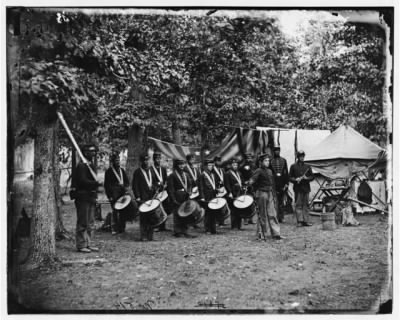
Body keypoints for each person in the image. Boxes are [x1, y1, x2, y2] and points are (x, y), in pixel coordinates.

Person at [247, 153, 284, 240]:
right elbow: (252, 180)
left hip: (270, 193)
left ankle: (276, 233)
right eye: (265, 161)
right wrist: (250, 182)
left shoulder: (270, 171)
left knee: (272, 214)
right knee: (262, 214)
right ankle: (261, 233)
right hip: (261, 193)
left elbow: (272, 183)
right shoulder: (258, 170)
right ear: (261, 162)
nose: (267, 162)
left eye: (268, 161)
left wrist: (274, 193)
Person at [73, 144, 102, 253]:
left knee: (90, 222)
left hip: (90, 196)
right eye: (91, 151)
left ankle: (88, 243)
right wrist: (96, 183)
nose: (93, 154)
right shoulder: (81, 166)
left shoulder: (91, 165)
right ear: (85, 153)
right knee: (83, 222)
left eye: (94, 152)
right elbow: (82, 181)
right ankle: (81, 244)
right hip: (83, 197)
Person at [167, 159, 196, 238]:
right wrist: (173, 199)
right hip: (177, 195)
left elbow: (190, 184)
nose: (182, 166)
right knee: (177, 213)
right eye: (180, 164)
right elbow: (171, 189)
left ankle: (185, 230)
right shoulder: (172, 175)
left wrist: (189, 192)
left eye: (183, 164)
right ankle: (177, 231)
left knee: (186, 213)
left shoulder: (186, 174)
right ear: (176, 165)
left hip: (186, 195)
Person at [104, 152, 131, 235]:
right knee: (115, 211)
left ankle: (122, 228)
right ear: (112, 162)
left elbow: (127, 181)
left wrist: (126, 188)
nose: (118, 162)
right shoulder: (109, 172)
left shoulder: (122, 170)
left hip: (122, 194)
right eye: (116, 160)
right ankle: (114, 228)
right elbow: (106, 185)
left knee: (123, 211)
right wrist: (109, 196)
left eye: (119, 160)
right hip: (114, 195)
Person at [132, 154, 156, 241]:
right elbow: (135, 185)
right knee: (144, 217)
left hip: (151, 197)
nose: (146, 162)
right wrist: (137, 196)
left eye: (147, 160)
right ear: (141, 162)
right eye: (144, 161)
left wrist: (155, 187)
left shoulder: (151, 171)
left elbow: (154, 182)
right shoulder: (137, 172)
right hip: (142, 197)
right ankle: (143, 235)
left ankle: (150, 235)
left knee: (151, 216)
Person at [289, 150, 314, 227]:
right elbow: (289, 177)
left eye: (303, 156)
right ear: (298, 157)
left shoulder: (307, 166)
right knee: (298, 205)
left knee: (306, 205)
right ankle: (300, 221)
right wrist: (295, 180)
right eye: (300, 156)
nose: (302, 158)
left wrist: (306, 178)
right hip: (298, 188)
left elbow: (312, 177)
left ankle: (306, 221)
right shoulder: (293, 166)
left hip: (306, 188)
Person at [150, 151, 170, 232]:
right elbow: (150, 181)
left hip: (163, 191)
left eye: (159, 159)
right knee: (157, 208)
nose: (158, 160)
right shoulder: (151, 169)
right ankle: (156, 225)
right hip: (155, 191)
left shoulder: (163, 169)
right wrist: (156, 187)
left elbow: (166, 179)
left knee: (164, 208)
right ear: (154, 159)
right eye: (156, 159)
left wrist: (165, 184)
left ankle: (163, 226)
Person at [199, 159, 219, 234]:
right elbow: (200, 187)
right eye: (209, 165)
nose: (211, 167)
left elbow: (213, 185)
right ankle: (207, 229)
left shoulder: (213, 174)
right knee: (208, 212)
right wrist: (202, 197)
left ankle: (213, 229)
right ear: (206, 166)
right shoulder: (203, 174)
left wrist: (217, 190)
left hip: (213, 195)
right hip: (206, 195)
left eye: (212, 165)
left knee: (213, 211)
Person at [270, 146, 289, 223]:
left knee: (281, 201)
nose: (277, 152)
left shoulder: (284, 160)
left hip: (282, 183)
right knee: (275, 201)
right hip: (274, 183)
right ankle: (275, 217)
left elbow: (286, 172)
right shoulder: (270, 161)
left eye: (278, 151)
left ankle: (281, 217)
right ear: (273, 152)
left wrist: (286, 183)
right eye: (275, 151)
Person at [225, 157, 244, 230]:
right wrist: (229, 192)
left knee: (239, 209)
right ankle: (234, 225)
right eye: (233, 165)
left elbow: (241, 181)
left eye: (236, 165)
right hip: (232, 193)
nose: (235, 166)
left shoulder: (239, 173)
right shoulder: (228, 173)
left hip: (239, 193)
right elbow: (227, 184)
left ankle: (239, 225)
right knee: (233, 209)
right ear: (231, 165)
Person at [240, 153, 256, 225]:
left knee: (252, 203)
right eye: (248, 158)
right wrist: (244, 182)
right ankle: (245, 219)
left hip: (252, 186)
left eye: (250, 158)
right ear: (245, 159)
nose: (249, 159)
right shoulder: (242, 167)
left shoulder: (254, 166)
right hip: (245, 187)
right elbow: (240, 176)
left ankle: (251, 218)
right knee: (246, 202)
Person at [213, 156, 227, 226]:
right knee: (216, 205)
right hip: (216, 189)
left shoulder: (222, 170)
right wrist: (215, 188)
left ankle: (222, 221)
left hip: (222, 189)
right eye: (218, 161)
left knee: (223, 205)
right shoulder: (212, 170)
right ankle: (216, 221)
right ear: (215, 162)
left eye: (220, 161)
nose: (219, 162)